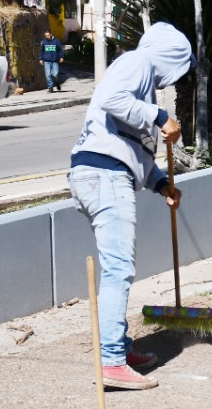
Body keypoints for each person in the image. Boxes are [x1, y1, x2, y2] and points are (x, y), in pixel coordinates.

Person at [68, 22, 193, 390]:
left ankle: (119, 350)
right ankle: (110, 362)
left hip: (102, 172)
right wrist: (158, 118)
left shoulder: (143, 83)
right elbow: (110, 98)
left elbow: (132, 149)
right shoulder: (138, 63)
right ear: (171, 57)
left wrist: (160, 184)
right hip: (104, 175)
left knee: (116, 267)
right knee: (118, 268)